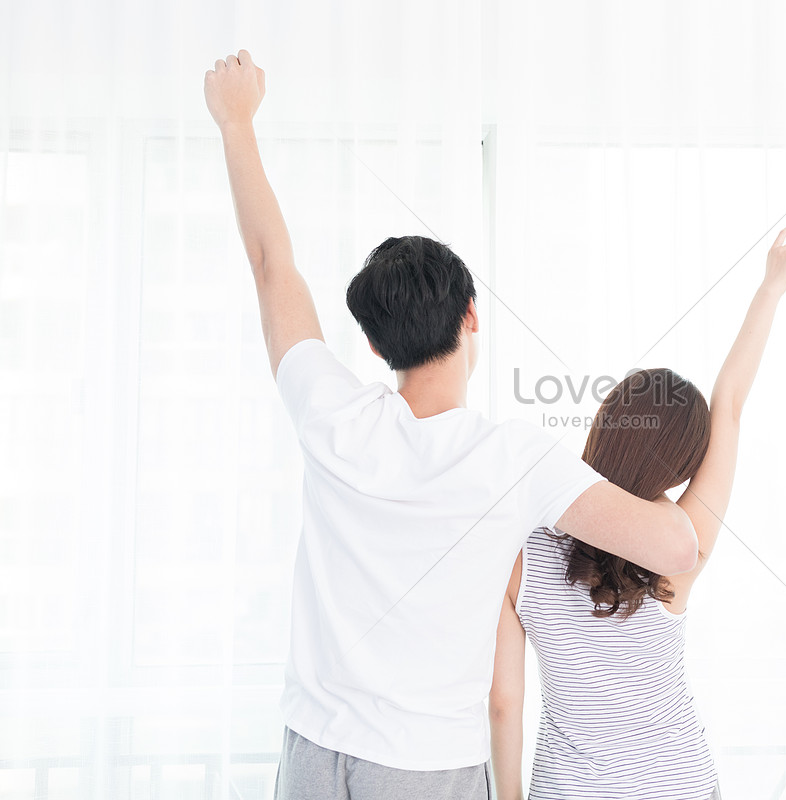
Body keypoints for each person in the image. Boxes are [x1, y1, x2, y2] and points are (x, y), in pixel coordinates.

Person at [203, 50, 699, 800]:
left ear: (372, 345)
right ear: (473, 317)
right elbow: (677, 547)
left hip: (312, 751)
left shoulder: (330, 415)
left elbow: (272, 264)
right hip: (424, 769)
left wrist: (235, 121)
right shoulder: (517, 461)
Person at [489, 227, 786, 799]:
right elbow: (730, 406)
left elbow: (503, 702)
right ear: (683, 468)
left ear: (604, 424)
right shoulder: (679, 552)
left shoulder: (522, 554)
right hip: (677, 784)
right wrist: (770, 289)